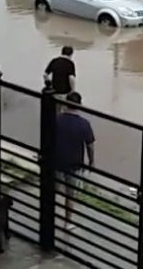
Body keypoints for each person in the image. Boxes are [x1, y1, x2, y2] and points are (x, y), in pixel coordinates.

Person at [55, 92, 95, 231]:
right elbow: (90, 145)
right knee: (70, 194)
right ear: (80, 105)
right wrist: (91, 162)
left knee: (53, 190)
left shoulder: (57, 120)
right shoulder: (84, 124)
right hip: (74, 163)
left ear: (66, 103)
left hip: (57, 160)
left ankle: (49, 216)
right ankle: (68, 222)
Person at [44, 46, 76, 112]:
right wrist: (72, 91)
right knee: (63, 111)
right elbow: (71, 78)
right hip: (64, 93)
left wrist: (49, 85)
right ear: (71, 54)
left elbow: (45, 75)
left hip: (54, 91)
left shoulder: (54, 61)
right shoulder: (70, 63)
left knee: (54, 111)